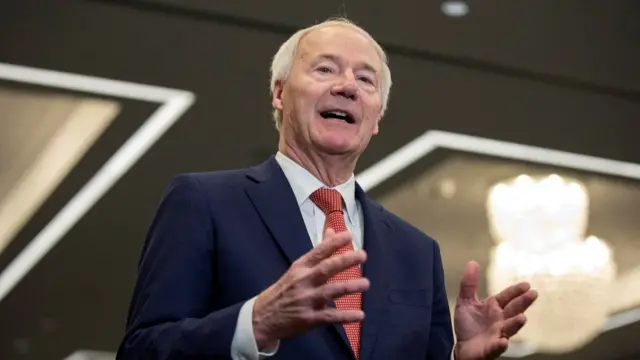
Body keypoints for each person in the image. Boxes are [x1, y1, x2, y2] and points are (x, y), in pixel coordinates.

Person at [116, 18, 538, 360]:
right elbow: (140, 352)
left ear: (376, 120)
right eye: (325, 69)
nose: (348, 86)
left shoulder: (417, 251)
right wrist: (255, 323)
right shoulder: (203, 202)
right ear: (279, 93)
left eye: (366, 80)